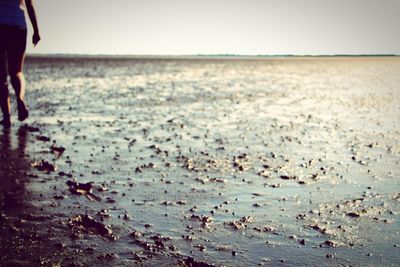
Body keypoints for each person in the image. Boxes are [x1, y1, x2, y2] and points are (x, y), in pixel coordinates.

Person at [0, 0, 40, 128]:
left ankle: (6, 117)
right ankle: (20, 98)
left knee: (1, 78)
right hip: (18, 27)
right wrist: (36, 30)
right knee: (16, 71)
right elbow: (30, 5)